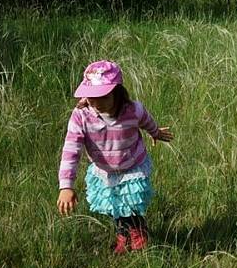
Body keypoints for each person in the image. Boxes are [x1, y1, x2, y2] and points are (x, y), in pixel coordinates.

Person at [56, 60, 174, 253]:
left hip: (132, 166)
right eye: (91, 96)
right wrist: (66, 186)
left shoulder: (133, 110)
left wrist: (155, 133)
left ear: (117, 92)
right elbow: (71, 151)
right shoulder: (81, 116)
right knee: (114, 205)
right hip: (105, 170)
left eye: (102, 96)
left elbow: (147, 121)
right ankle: (123, 234)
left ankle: (138, 234)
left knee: (132, 203)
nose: (95, 102)